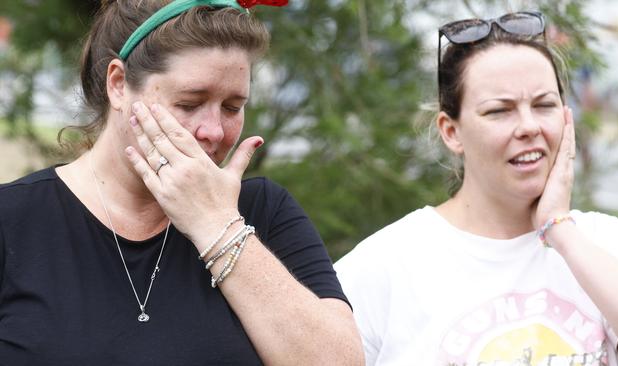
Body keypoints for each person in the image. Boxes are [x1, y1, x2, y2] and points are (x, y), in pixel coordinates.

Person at [0, 1, 363, 365]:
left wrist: (218, 225)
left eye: (233, 107)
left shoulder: (263, 213)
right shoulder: (13, 220)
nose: (214, 131)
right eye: (190, 103)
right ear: (119, 85)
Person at [335, 11, 618, 365]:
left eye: (544, 105)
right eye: (500, 111)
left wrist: (560, 230)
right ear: (451, 131)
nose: (529, 126)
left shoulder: (606, 243)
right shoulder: (382, 267)